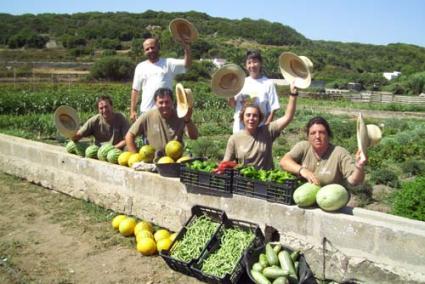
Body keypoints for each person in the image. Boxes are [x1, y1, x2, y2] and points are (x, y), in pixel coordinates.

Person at [222, 84, 298, 170]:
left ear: (259, 119)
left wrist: (293, 94)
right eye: (248, 115)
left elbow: (288, 117)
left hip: (265, 180)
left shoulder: (267, 131)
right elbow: (225, 162)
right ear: (242, 118)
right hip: (242, 180)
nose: (251, 118)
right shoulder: (235, 138)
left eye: (255, 116)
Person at [280, 116, 367, 186]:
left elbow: (354, 181)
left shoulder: (339, 153)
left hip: (329, 202)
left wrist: (359, 167)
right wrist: (303, 170)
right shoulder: (303, 146)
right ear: (308, 137)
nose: (317, 136)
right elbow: (284, 162)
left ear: (328, 135)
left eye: (321, 132)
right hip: (303, 199)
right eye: (313, 133)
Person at [130, 37, 192, 122]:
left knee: (170, 135)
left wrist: (187, 48)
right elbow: (135, 90)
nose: (150, 50)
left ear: (158, 48)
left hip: (166, 111)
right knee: (147, 135)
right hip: (146, 111)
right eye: (147, 49)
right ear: (144, 51)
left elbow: (186, 65)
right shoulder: (140, 67)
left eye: (152, 47)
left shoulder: (168, 63)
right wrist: (132, 110)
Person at [125, 88, 198, 154]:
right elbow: (129, 136)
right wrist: (135, 155)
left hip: (175, 161)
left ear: (172, 102)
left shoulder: (180, 116)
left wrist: (187, 120)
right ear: (155, 103)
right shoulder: (147, 116)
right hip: (152, 161)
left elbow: (194, 136)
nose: (164, 105)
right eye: (161, 102)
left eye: (167, 102)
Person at [228, 50, 280, 133]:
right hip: (239, 129)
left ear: (261, 63)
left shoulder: (268, 84)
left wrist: (265, 129)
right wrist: (230, 93)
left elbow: (272, 110)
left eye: (255, 62)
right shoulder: (241, 82)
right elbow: (233, 105)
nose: (252, 65)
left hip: (259, 130)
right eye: (249, 62)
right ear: (245, 65)